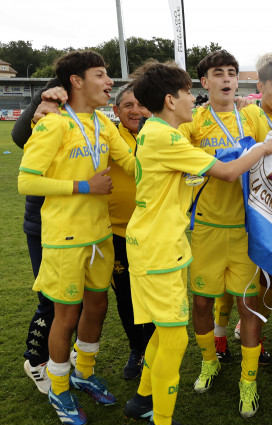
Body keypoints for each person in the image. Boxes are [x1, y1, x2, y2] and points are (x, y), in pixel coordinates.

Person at [122, 61, 272, 425]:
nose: (190, 99)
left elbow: (183, 178)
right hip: (159, 251)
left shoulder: (156, 133)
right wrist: (263, 148)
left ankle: (142, 400)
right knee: (174, 337)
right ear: (170, 99)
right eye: (185, 92)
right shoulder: (168, 136)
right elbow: (230, 172)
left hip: (155, 246)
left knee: (163, 335)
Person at [17, 50, 136, 425]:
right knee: (65, 315)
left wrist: (177, 155)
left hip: (100, 235)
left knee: (97, 306)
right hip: (65, 237)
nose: (109, 82)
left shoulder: (103, 122)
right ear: (76, 81)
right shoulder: (54, 124)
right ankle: (58, 385)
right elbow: (27, 180)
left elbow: (133, 163)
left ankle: (84, 371)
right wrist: (85, 186)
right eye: (101, 75)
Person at [179, 50, 267, 418]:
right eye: (219, 73)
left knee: (249, 307)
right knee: (201, 303)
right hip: (207, 229)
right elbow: (179, 165)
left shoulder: (252, 115)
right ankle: (208, 361)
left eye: (232, 73)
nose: (228, 79)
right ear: (205, 82)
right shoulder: (194, 122)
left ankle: (249, 382)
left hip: (247, 231)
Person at [14, 78, 61, 395]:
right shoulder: (49, 104)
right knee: (50, 300)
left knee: (74, 301)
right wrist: (38, 100)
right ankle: (35, 360)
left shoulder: (90, 117)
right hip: (44, 223)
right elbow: (20, 137)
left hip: (76, 225)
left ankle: (59, 360)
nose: (106, 80)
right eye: (98, 74)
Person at [109, 83, 155, 380]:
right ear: (116, 111)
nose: (136, 110)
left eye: (140, 104)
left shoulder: (162, 135)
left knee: (152, 293)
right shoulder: (108, 136)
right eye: (128, 105)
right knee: (125, 295)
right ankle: (137, 348)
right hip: (118, 233)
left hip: (154, 232)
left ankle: (153, 349)